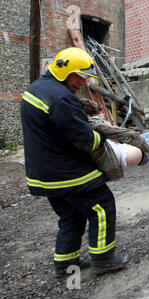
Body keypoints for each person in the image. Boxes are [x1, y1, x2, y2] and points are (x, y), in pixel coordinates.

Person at [20, 47, 129, 277]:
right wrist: (107, 138)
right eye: (78, 76)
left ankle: (64, 263)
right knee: (102, 204)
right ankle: (103, 258)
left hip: (42, 174)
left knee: (71, 214)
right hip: (64, 172)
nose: (82, 82)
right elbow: (86, 141)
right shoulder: (61, 99)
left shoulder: (37, 88)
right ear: (65, 72)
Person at [80, 98, 149, 181]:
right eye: (101, 113)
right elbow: (129, 135)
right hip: (137, 152)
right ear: (94, 115)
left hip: (130, 148)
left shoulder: (81, 127)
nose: (103, 115)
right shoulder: (96, 125)